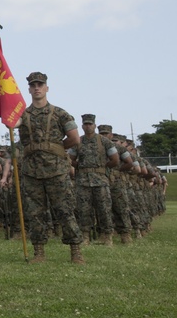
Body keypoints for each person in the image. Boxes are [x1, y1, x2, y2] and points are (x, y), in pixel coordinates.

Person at [16, 72, 83, 264]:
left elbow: (74, 138)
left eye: (40, 84)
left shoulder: (60, 113)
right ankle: (39, 252)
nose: (37, 88)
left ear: (47, 88)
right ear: (29, 89)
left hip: (57, 171)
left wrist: (56, 148)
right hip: (31, 171)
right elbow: (12, 124)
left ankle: (76, 251)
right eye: (33, 85)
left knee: (65, 210)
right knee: (35, 212)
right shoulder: (22, 114)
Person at [72, 114, 119, 246]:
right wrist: (81, 167)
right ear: (82, 126)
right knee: (84, 210)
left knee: (104, 209)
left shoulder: (104, 141)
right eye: (85, 124)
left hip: (100, 181)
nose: (88, 126)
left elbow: (115, 159)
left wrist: (102, 168)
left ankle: (107, 236)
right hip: (83, 181)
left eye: (90, 124)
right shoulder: (78, 141)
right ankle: (85, 236)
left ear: (94, 125)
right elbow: (70, 158)